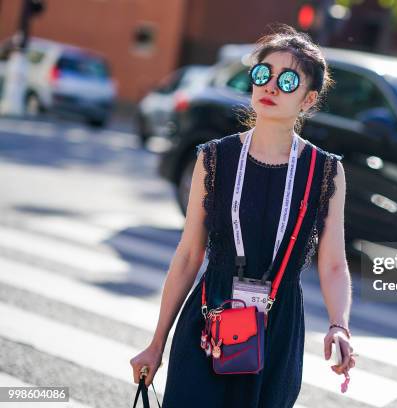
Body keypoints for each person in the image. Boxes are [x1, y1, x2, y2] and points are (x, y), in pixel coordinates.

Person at [130, 23, 355, 407]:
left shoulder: (325, 171)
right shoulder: (214, 157)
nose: (270, 87)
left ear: (307, 99)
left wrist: (340, 326)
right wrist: (155, 345)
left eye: (287, 81)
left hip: (277, 327)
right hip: (210, 315)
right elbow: (188, 256)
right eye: (263, 75)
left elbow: (333, 263)